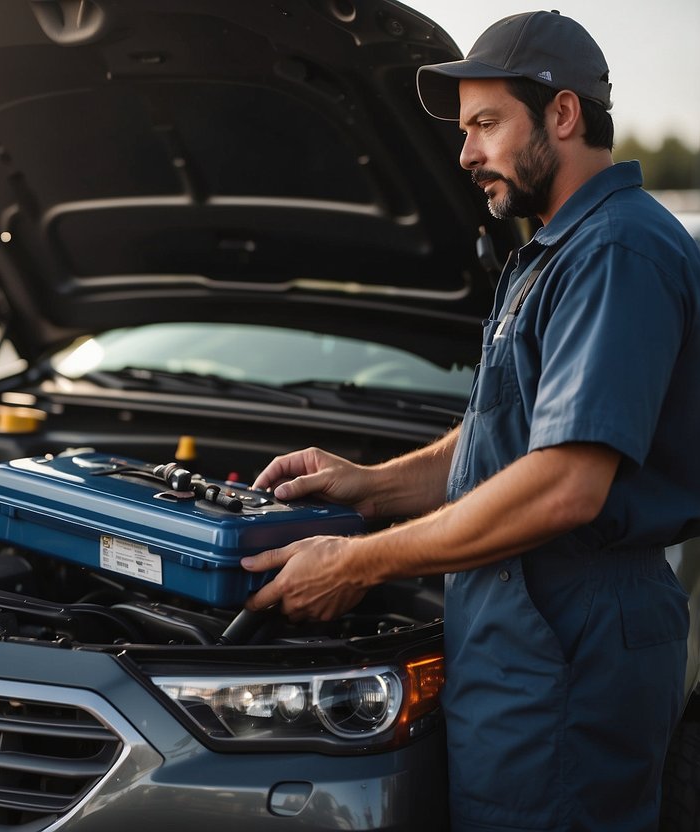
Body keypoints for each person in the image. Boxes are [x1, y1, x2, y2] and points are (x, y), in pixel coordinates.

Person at [242, 10, 700, 831]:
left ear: (561, 115)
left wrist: (355, 562)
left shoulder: (615, 253)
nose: (464, 154)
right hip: (519, 640)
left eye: (485, 124)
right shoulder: (555, 251)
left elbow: (561, 485)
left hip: (570, 645)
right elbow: (506, 439)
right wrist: (373, 484)